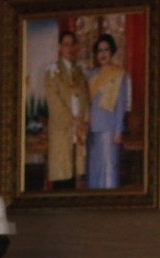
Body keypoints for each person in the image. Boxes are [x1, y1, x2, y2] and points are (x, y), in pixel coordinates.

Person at [44, 29, 89, 190]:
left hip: (78, 130)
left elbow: (86, 100)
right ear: (60, 47)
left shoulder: (79, 72)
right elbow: (53, 101)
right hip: (62, 129)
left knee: (75, 172)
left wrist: (84, 122)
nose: (69, 48)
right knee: (62, 175)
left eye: (72, 45)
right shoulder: (52, 72)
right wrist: (71, 119)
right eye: (65, 44)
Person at [86, 33, 131, 190]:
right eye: (99, 50)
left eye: (106, 50)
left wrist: (118, 132)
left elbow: (121, 106)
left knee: (109, 170)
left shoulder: (119, 75)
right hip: (93, 129)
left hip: (110, 130)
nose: (103, 54)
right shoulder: (91, 75)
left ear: (111, 52)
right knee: (94, 170)